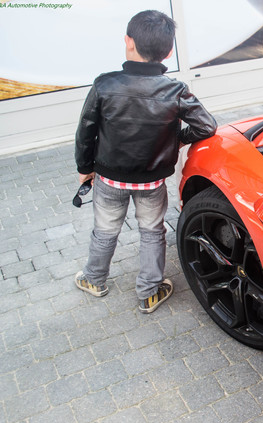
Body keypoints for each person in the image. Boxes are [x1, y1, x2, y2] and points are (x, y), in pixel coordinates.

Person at [74, 10, 217, 313]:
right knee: (152, 231)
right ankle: (149, 292)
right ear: (167, 52)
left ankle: (94, 279)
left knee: (104, 231)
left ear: (128, 42)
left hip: (109, 180)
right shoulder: (175, 90)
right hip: (152, 181)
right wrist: (177, 137)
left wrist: (84, 169)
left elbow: (85, 132)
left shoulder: (104, 84)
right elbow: (207, 127)